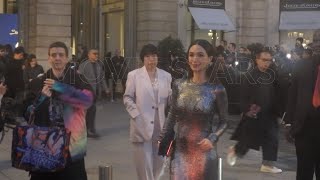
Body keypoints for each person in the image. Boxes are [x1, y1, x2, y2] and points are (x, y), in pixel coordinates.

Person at [159, 39, 228, 179]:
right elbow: (172, 115)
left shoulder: (217, 89)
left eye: (200, 55)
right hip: (180, 152)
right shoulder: (179, 85)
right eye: (191, 55)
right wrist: (163, 139)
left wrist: (212, 138)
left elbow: (224, 122)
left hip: (204, 152)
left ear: (210, 59)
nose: (195, 59)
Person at [25, 41, 94, 180]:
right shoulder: (38, 83)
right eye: (54, 55)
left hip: (72, 148)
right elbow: (27, 113)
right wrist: (41, 98)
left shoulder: (79, 79)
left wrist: (60, 87)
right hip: (44, 148)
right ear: (49, 58)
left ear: (67, 58)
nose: (57, 58)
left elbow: (88, 101)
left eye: (61, 55)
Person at [228, 47, 283, 173]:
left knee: (272, 137)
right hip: (255, 112)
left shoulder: (273, 74)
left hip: (270, 113)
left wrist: (279, 111)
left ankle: (267, 164)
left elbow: (278, 93)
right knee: (249, 138)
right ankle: (236, 150)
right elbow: (242, 96)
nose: (267, 63)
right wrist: (248, 110)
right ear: (257, 60)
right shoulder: (249, 76)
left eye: (269, 60)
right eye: (264, 60)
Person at [123, 44, 172, 180]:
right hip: (141, 125)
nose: (152, 59)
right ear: (143, 59)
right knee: (144, 166)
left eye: (154, 56)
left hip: (161, 126)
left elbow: (170, 99)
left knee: (160, 163)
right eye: (148, 56)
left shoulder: (166, 76)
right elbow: (127, 97)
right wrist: (136, 115)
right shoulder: (134, 75)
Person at [284, 30, 320, 180]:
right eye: (317, 41)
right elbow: (292, 96)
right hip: (304, 128)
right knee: (303, 172)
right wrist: (288, 123)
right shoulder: (301, 65)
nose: (318, 44)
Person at [78, 48, 109, 138]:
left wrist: (106, 88)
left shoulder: (99, 65)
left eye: (97, 54)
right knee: (90, 111)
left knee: (91, 111)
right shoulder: (83, 65)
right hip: (86, 92)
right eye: (94, 54)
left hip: (95, 92)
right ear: (89, 55)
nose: (96, 55)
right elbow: (78, 79)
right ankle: (89, 130)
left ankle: (90, 129)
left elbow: (102, 78)